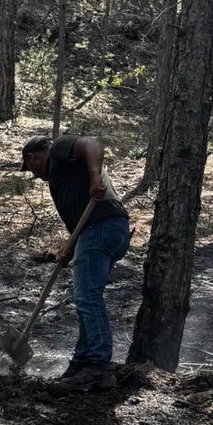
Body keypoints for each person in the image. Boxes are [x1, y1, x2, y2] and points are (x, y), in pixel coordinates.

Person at [21, 134, 131, 392]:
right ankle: (82, 362)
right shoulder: (62, 175)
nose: (34, 174)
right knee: (86, 299)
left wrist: (95, 178)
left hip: (101, 228)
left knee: (88, 299)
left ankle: (99, 368)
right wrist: (69, 249)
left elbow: (92, 143)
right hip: (103, 231)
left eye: (30, 168)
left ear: (32, 158)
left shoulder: (59, 149)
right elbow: (79, 214)